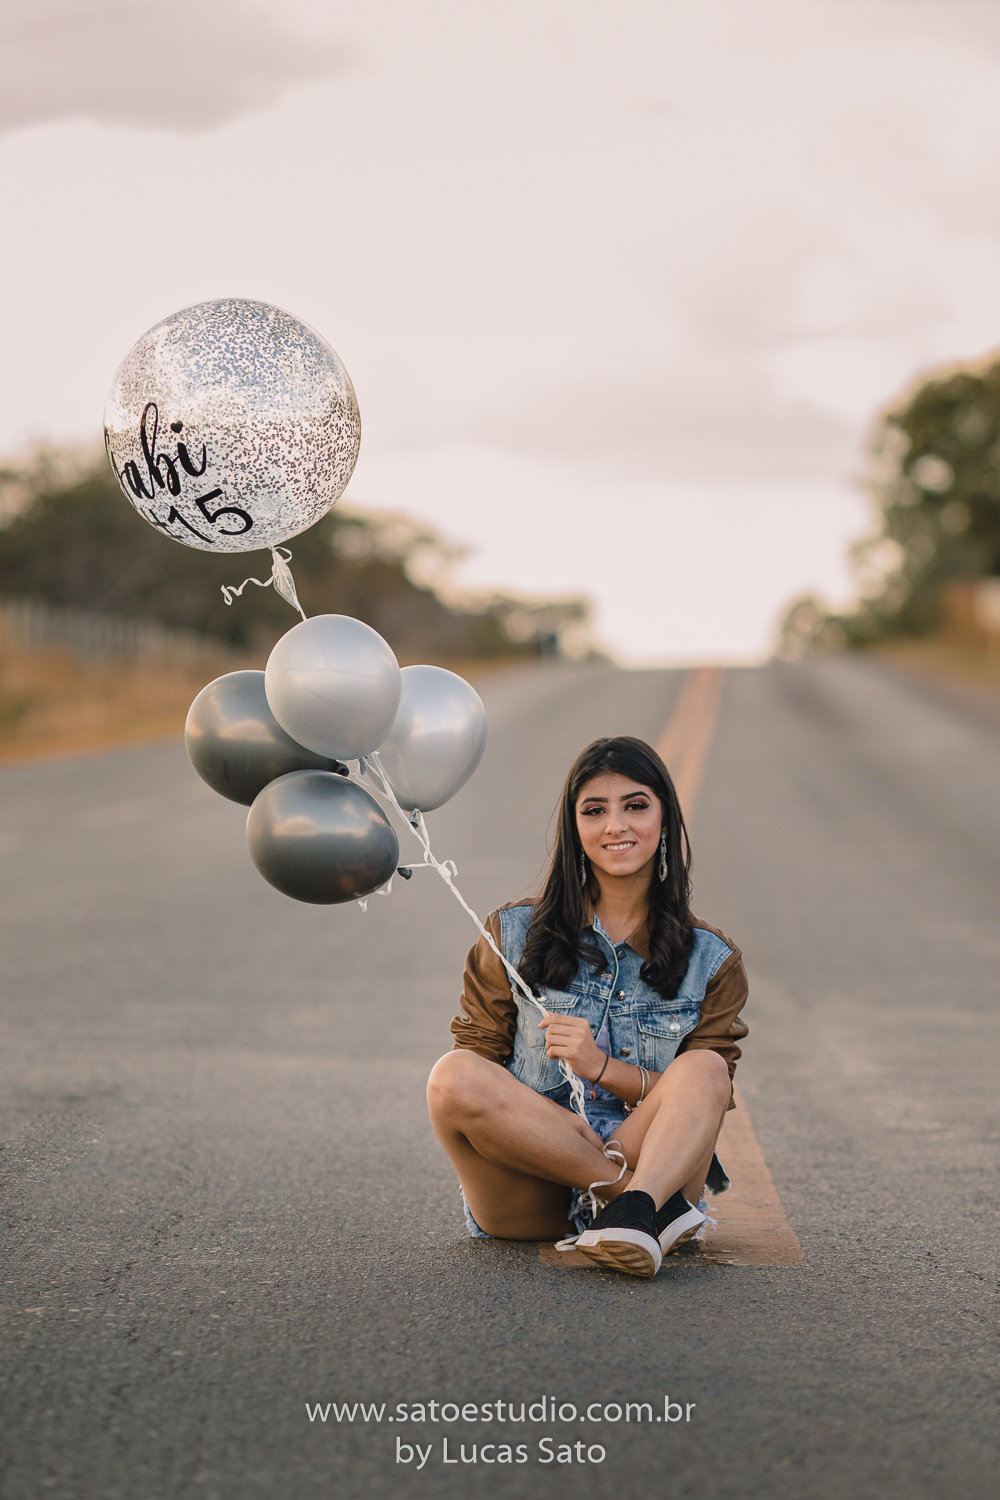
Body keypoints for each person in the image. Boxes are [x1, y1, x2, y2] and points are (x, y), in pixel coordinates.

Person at [426, 735, 748, 1279]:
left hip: (653, 1161)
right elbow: (476, 1072)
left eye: (636, 806)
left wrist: (603, 1069)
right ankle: (637, 1211)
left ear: (665, 818)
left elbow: (707, 1098)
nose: (615, 826)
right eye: (594, 810)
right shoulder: (512, 933)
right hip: (535, 1180)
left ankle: (638, 1200)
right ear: (574, 830)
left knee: (706, 1068)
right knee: (452, 1075)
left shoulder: (711, 959)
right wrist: (562, 1131)